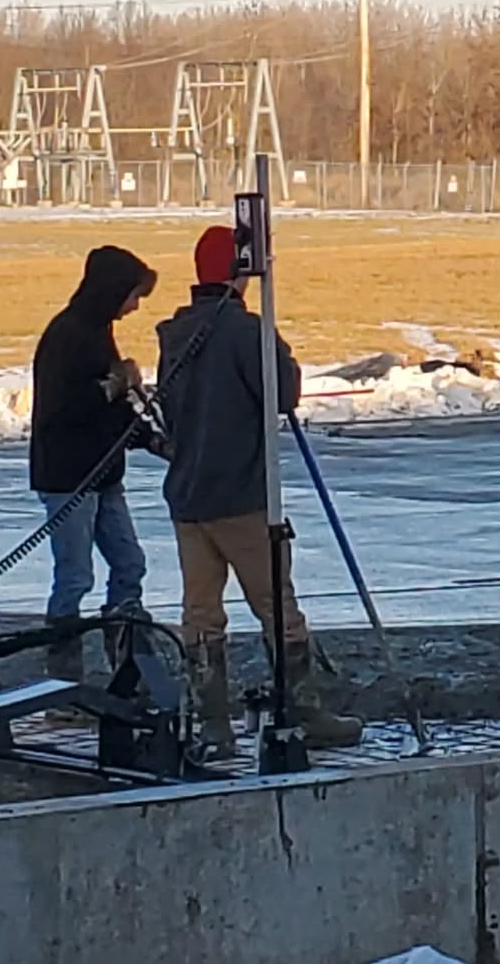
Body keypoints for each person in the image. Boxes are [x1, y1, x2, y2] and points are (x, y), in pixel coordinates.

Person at [155, 226, 363, 750]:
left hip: (188, 495)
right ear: (241, 268)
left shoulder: (176, 334)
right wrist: (276, 344)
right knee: (277, 606)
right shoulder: (244, 332)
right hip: (242, 494)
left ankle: (214, 726)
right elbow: (284, 393)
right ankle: (303, 711)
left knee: (200, 616)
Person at [29, 245, 158, 683]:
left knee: (129, 564)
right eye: (132, 295)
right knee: (75, 577)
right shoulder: (66, 336)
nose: (135, 306)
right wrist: (110, 387)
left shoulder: (98, 332)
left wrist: (150, 437)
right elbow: (59, 410)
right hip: (68, 478)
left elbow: (114, 411)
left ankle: (126, 669)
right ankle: (62, 681)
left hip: (103, 474)